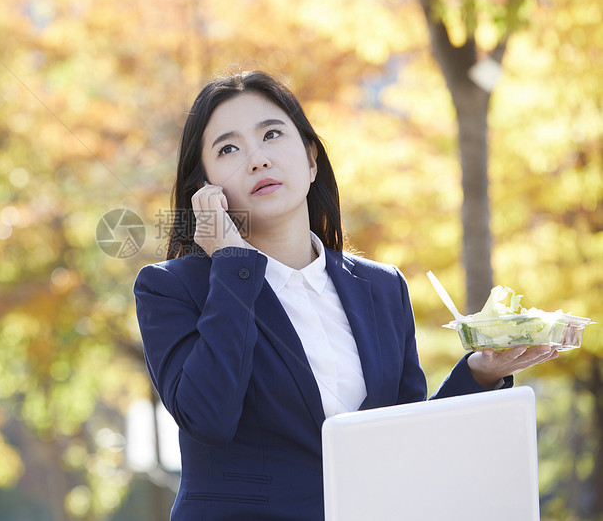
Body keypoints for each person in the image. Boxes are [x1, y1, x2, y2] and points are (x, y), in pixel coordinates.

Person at [132, 70, 557, 520]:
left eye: (272, 134)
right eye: (229, 149)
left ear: (311, 160)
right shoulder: (172, 288)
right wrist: (232, 266)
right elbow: (208, 417)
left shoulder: (381, 287)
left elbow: (405, 442)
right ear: (206, 190)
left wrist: (479, 374)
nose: (257, 159)